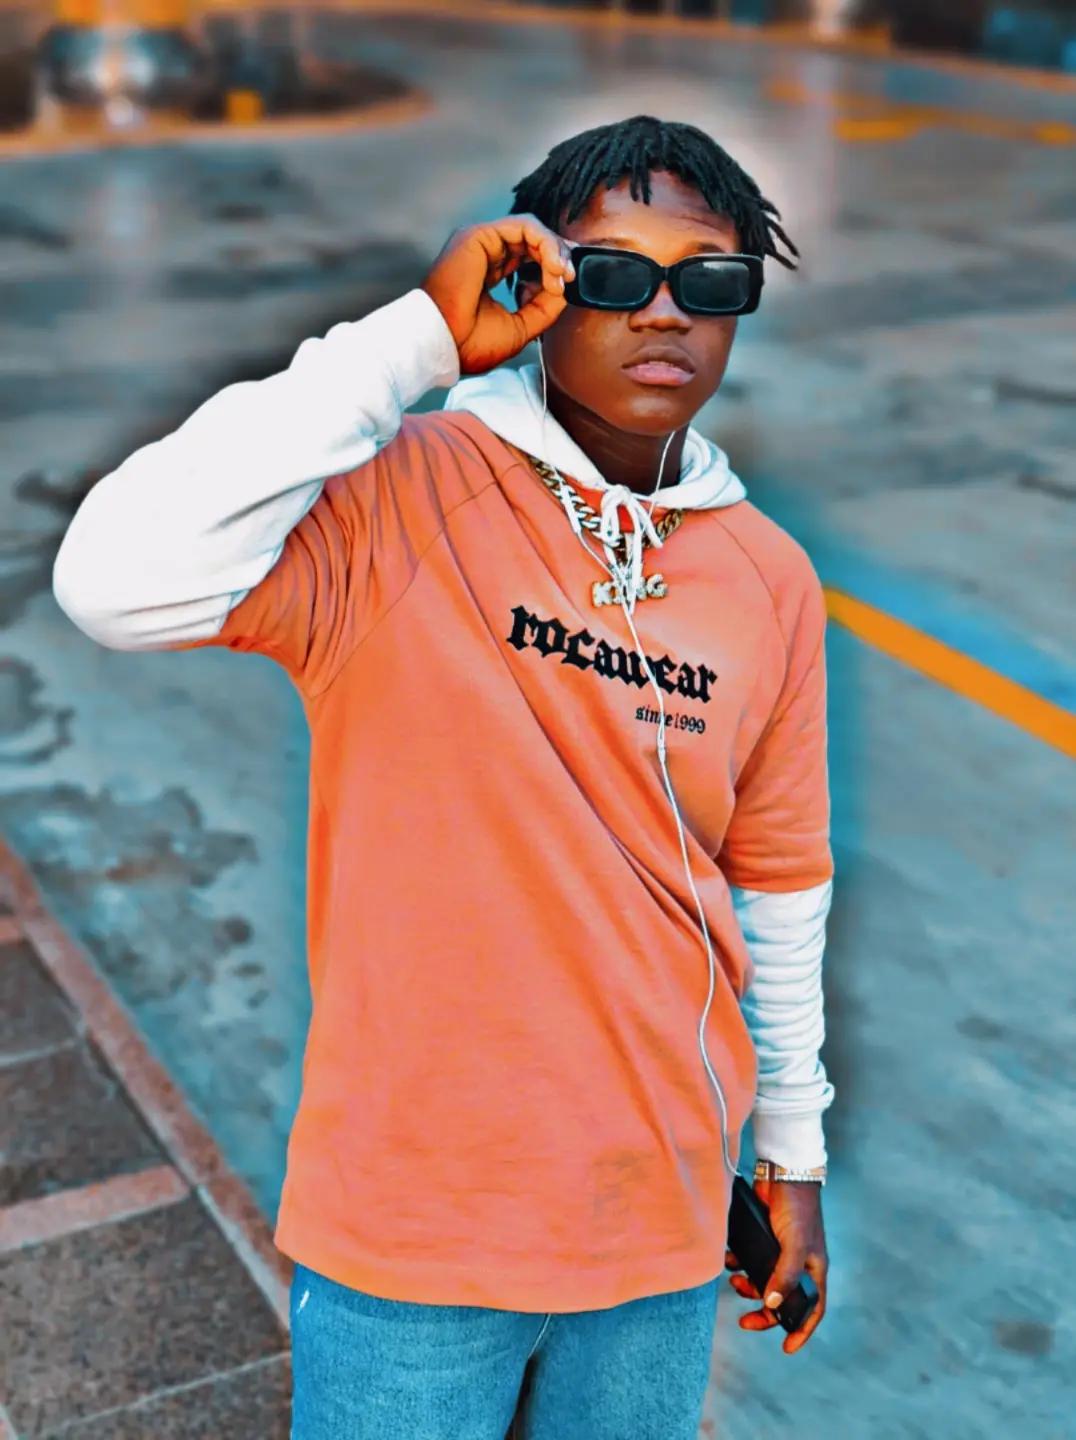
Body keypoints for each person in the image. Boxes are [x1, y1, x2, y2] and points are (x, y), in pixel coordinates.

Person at [52, 113, 836, 1439]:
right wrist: (413, 339)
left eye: (708, 281)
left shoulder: (769, 577)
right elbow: (111, 580)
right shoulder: (393, 500)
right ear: (537, 286)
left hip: (657, 1222)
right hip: (415, 1234)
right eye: (613, 276)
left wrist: (794, 1156)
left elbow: (780, 884)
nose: (663, 314)